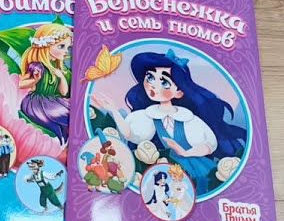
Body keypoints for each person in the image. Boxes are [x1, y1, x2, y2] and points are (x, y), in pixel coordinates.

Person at [92, 49, 246, 195]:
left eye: (164, 82)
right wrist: (113, 110)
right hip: (163, 164)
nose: (153, 85)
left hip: (193, 164)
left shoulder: (188, 117)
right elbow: (130, 134)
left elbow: (210, 144)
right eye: (150, 77)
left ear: (179, 92)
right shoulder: (147, 115)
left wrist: (186, 152)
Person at [18, 23, 73, 145]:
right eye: (61, 46)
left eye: (67, 47)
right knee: (65, 114)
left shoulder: (56, 68)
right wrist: (35, 80)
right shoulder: (37, 66)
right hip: (36, 102)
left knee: (72, 112)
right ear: (46, 46)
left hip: (52, 100)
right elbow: (21, 83)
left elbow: (63, 92)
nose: (66, 51)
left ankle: (64, 141)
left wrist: (61, 77)